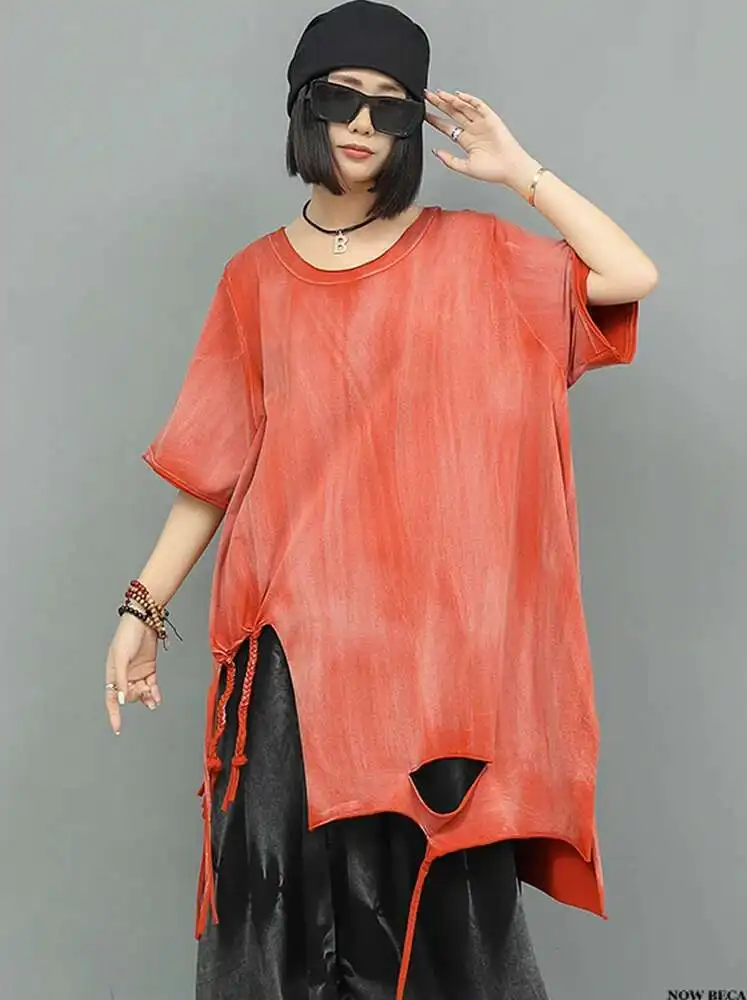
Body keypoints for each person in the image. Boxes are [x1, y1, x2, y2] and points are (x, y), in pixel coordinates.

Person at [103, 2, 658, 998]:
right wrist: (141, 608)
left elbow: (628, 273)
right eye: (341, 97)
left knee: (432, 940)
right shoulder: (255, 280)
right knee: (280, 933)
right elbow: (211, 467)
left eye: (392, 106)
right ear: (303, 106)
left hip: (430, 671)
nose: (362, 122)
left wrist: (517, 169)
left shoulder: (475, 255)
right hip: (291, 669)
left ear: (411, 129)